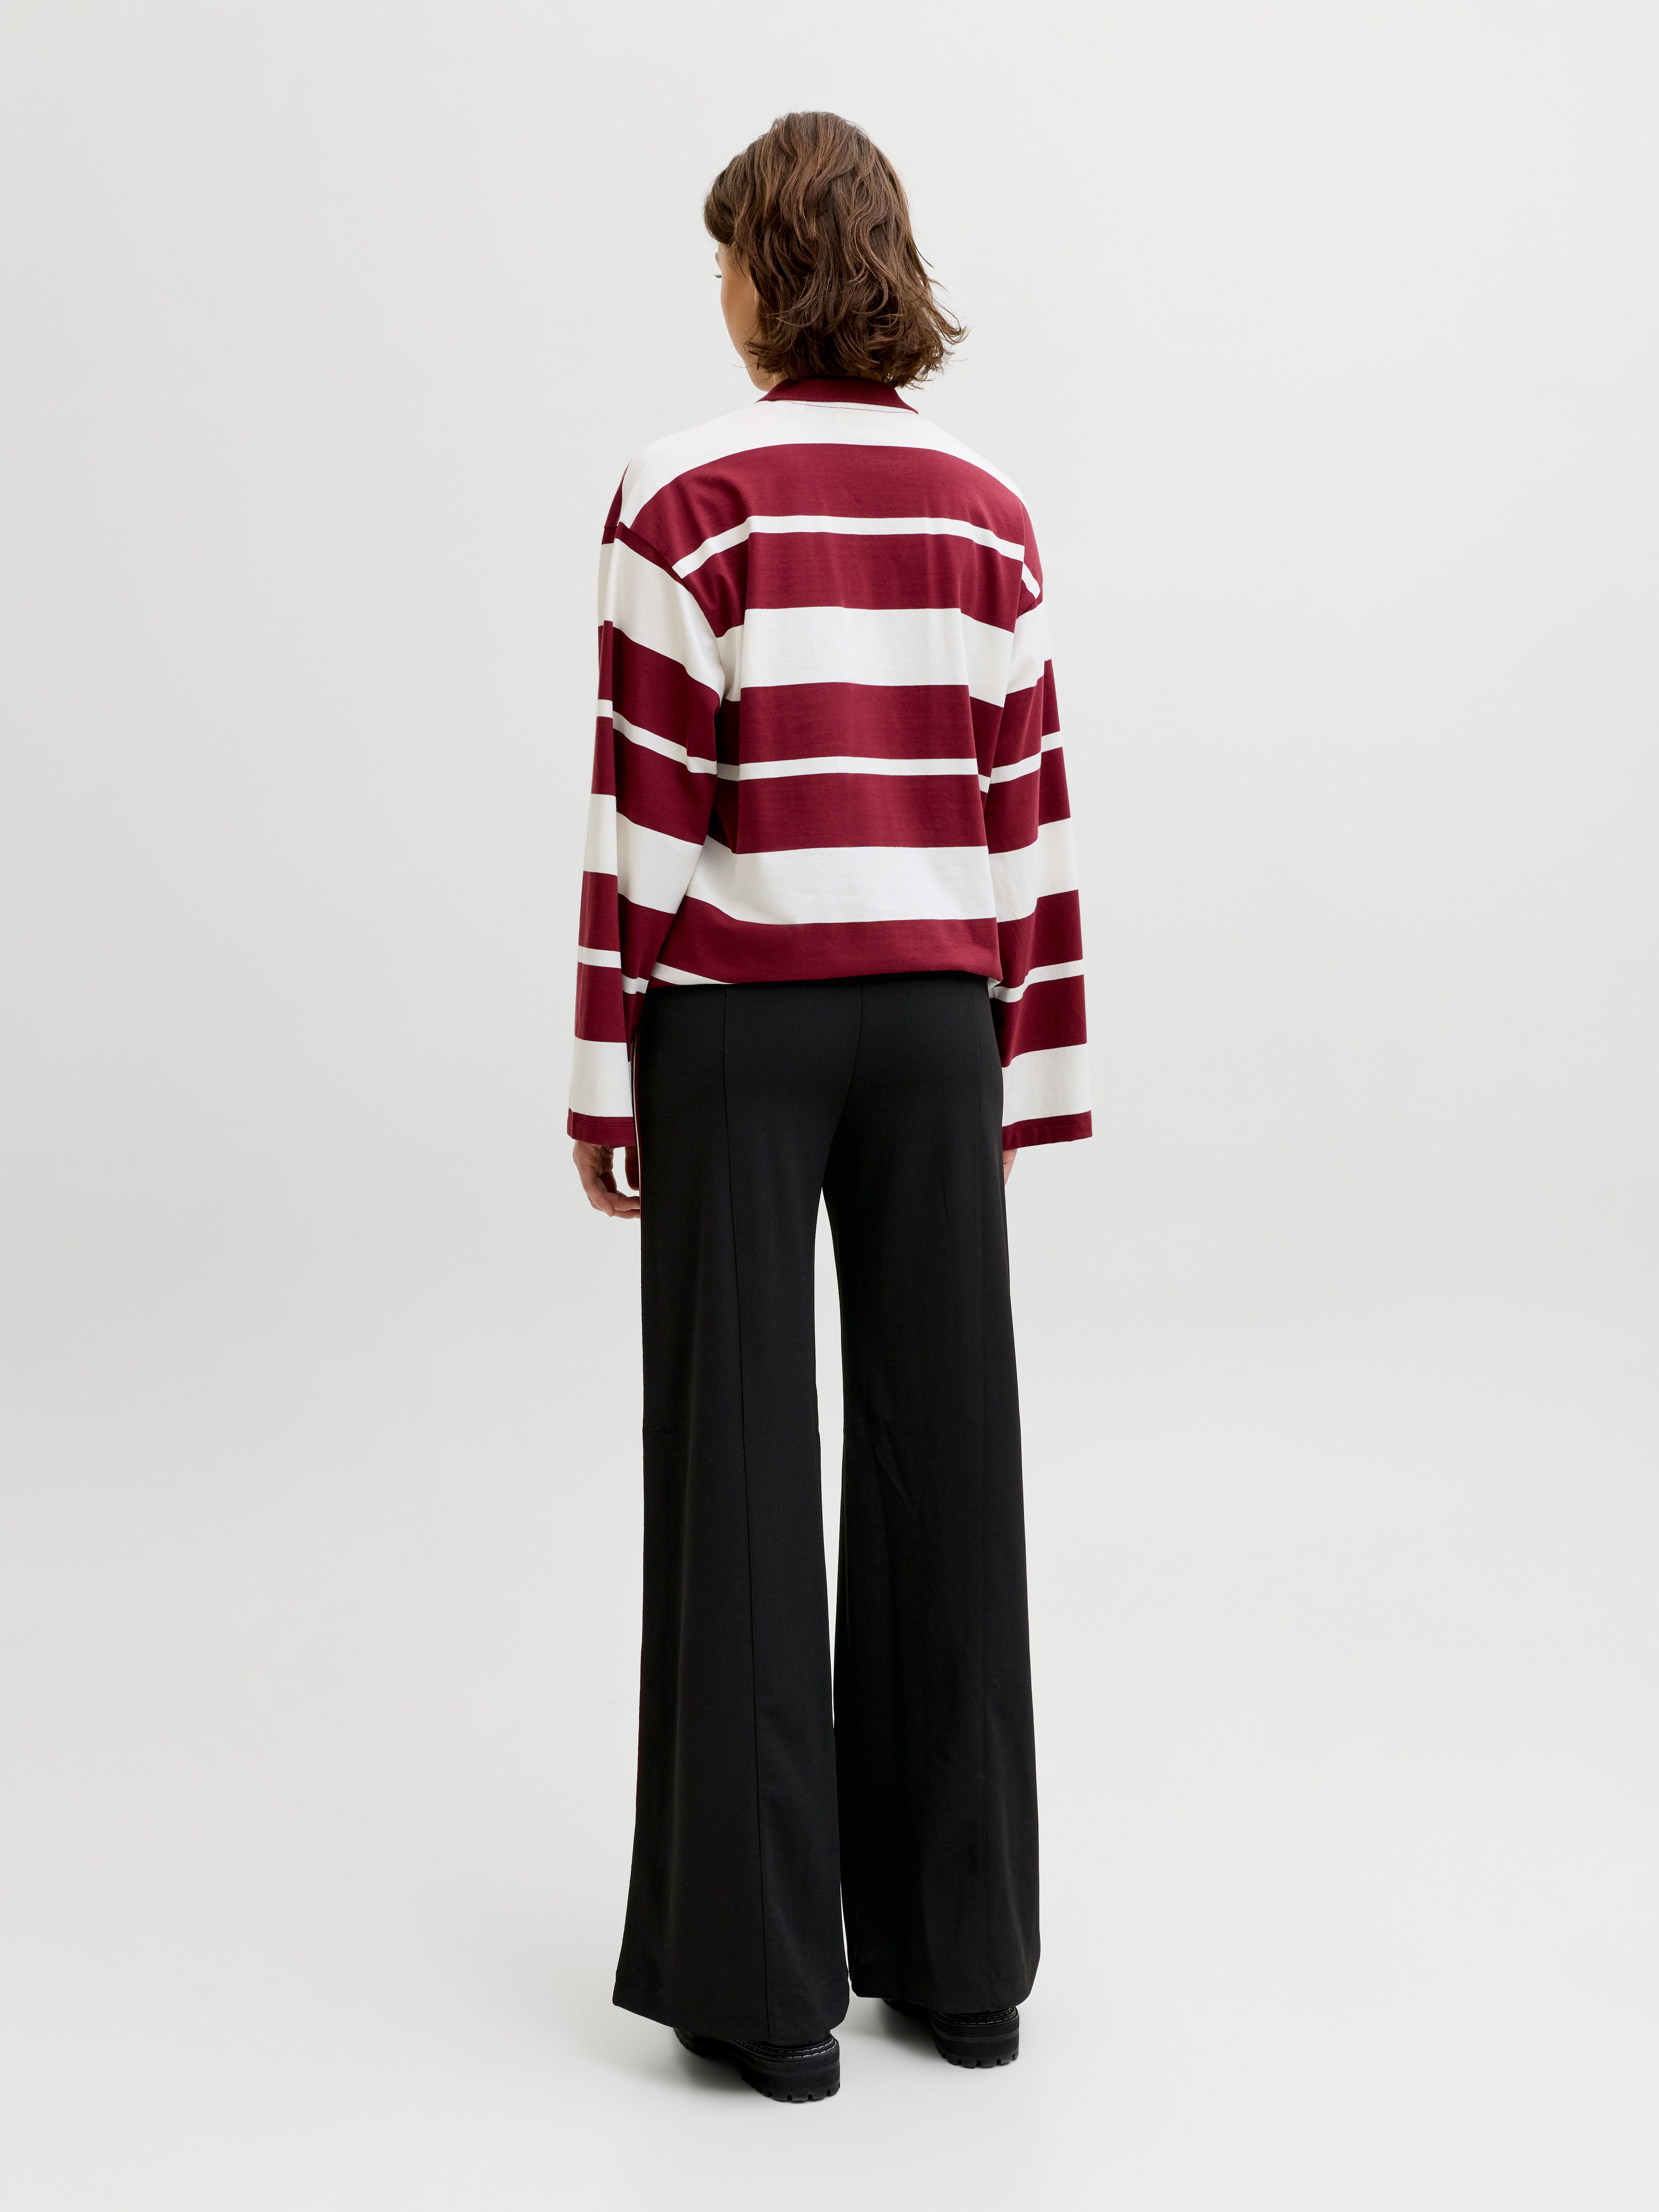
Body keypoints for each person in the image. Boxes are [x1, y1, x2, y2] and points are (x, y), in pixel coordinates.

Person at [567, 111, 1090, 2103]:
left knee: (737, 1469)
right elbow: (1024, 807)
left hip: (738, 1021)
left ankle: (768, 1991)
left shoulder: (682, 492)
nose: (714, 291)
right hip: (941, 1020)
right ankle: (967, 1964)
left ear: (765, 274)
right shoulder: (990, 507)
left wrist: (602, 1074)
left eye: (725, 256)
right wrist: (1025, 1071)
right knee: (952, 1454)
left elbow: (641, 815)